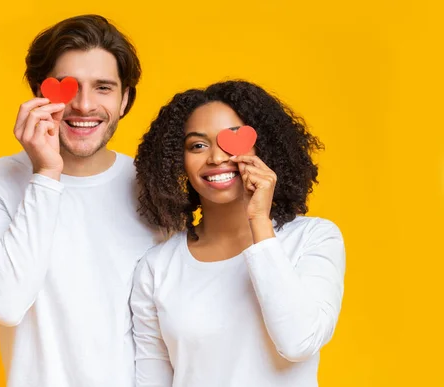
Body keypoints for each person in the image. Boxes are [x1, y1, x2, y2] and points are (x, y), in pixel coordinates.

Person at [0, 14, 161, 387]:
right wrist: (46, 173)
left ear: (125, 99)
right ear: (40, 93)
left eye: (103, 87)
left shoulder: (153, 186)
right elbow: (5, 304)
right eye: (67, 86)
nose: (84, 105)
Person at [131, 80, 346, 387]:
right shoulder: (157, 267)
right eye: (198, 146)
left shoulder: (314, 238)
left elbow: (298, 342)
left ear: (265, 147)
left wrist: (259, 220)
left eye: (231, 140)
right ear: (178, 162)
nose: (217, 158)